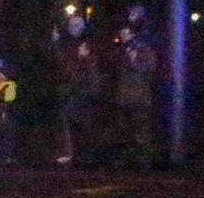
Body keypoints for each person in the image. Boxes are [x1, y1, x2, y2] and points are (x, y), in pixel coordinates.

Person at [53, 15, 104, 165]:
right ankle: (72, 153)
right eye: (72, 25)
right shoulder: (66, 43)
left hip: (85, 91)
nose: (74, 29)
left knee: (83, 123)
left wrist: (83, 59)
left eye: (77, 26)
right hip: (71, 89)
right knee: (68, 121)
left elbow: (91, 69)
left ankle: (85, 154)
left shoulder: (88, 43)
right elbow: (62, 63)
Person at [113, 26, 160, 168]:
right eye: (121, 33)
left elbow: (149, 69)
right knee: (126, 130)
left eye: (125, 33)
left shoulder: (143, 48)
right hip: (125, 96)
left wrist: (135, 61)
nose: (123, 35)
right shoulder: (121, 50)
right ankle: (131, 158)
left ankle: (143, 160)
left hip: (139, 96)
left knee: (140, 129)